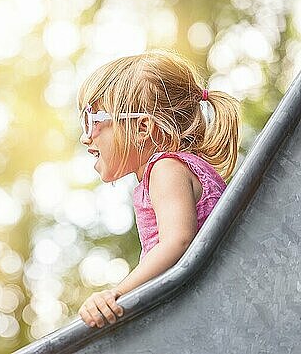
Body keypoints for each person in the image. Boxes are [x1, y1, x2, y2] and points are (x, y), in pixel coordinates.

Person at [76, 49, 241, 328]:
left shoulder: (166, 169)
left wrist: (117, 294)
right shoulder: (175, 169)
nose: (85, 136)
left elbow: (177, 241)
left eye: (93, 120)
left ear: (142, 127)